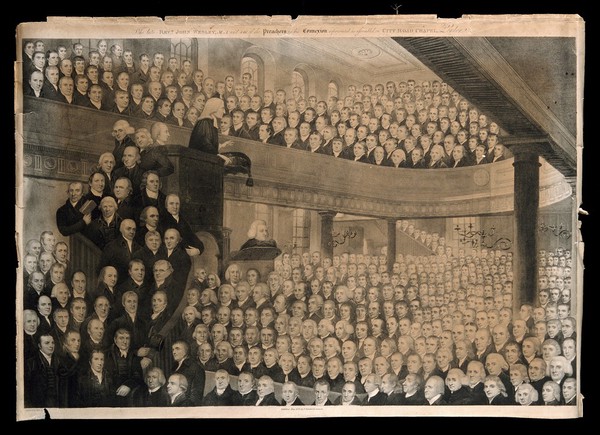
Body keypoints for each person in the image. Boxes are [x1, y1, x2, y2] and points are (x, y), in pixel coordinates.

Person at [104, 328, 144, 406]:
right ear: (115, 340)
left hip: (129, 390)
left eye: (127, 338)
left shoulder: (134, 355)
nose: (125, 341)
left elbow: (137, 375)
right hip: (111, 390)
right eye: (121, 338)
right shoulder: (107, 355)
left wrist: (128, 385)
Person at [25, 334, 60, 408]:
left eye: (52, 342)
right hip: (38, 405)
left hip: (57, 403)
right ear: (39, 345)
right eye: (47, 343)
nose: (51, 346)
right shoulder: (30, 363)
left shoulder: (59, 361)